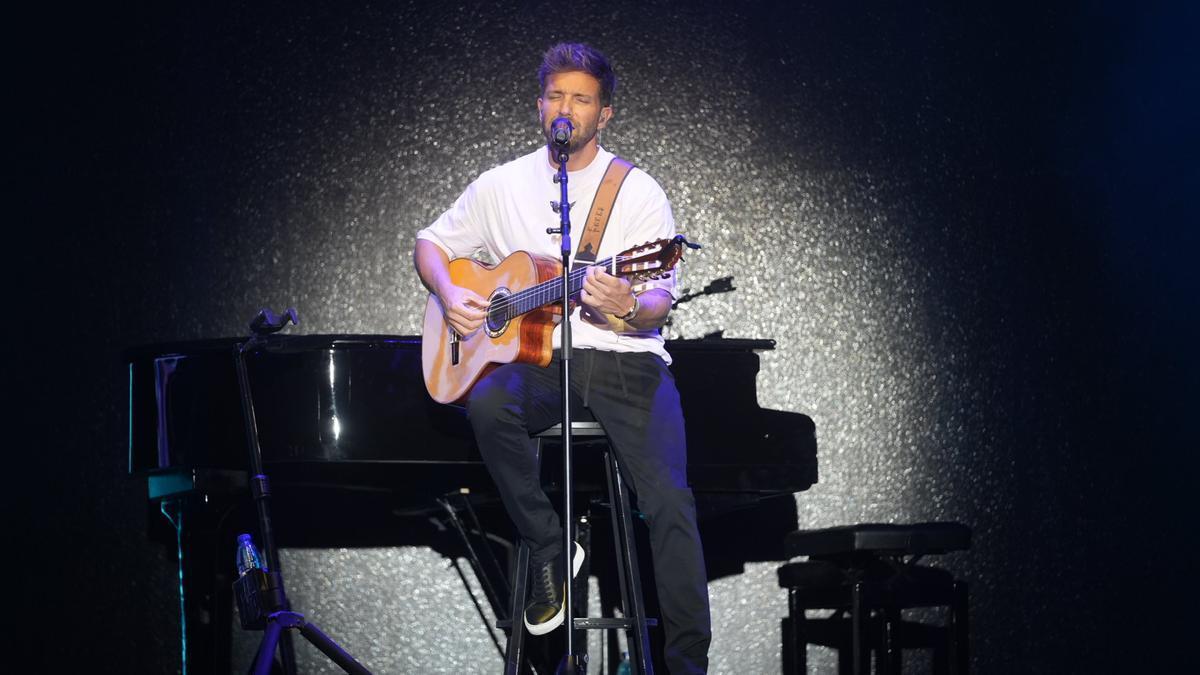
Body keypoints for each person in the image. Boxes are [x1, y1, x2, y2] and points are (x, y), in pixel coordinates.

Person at [413, 42, 710, 674]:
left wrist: (630, 303)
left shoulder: (635, 190)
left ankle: (686, 666)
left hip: (626, 362)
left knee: (669, 504)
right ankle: (549, 541)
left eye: (580, 98)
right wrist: (448, 290)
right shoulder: (502, 184)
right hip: (546, 361)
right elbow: (431, 243)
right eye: (555, 96)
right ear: (540, 104)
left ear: (604, 114)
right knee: (488, 403)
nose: (564, 108)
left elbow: (660, 298)